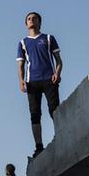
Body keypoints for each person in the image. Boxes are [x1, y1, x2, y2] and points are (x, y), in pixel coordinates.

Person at [16, 12, 63, 157]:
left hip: (49, 79)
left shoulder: (48, 38)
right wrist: (21, 80)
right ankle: (38, 146)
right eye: (29, 19)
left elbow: (59, 61)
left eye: (34, 18)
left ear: (39, 22)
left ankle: (60, 135)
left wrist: (57, 73)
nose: (31, 20)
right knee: (35, 114)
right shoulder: (23, 43)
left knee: (54, 109)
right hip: (32, 82)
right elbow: (20, 65)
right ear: (26, 24)